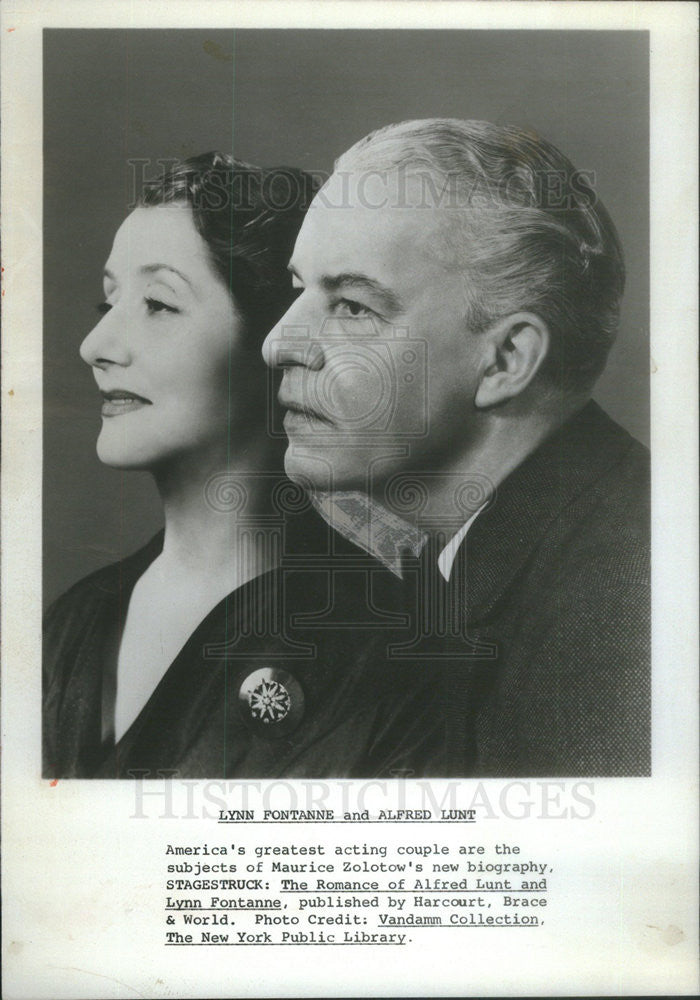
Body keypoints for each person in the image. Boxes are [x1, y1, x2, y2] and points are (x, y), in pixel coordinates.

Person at [262, 118, 650, 777]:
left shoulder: (615, 609)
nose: (278, 344)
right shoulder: (492, 564)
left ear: (505, 360)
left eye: (354, 306)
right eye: (300, 290)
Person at [43, 152, 443, 780]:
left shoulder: (383, 641)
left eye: (158, 303)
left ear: (277, 338)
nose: (95, 348)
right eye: (107, 304)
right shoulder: (73, 621)